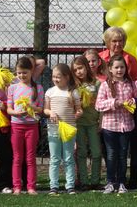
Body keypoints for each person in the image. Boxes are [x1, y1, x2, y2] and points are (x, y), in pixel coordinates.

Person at [95, 55, 137, 194]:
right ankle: (110, 182)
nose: (120, 70)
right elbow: (98, 105)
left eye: (122, 67)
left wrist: (132, 102)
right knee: (112, 155)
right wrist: (114, 103)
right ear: (110, 69)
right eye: (117, 67)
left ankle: (122, 183)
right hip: (110, 126)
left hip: (126, 125)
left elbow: (136, 100)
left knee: (123, 155)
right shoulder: (105, 85)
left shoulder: (130, 84)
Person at [7, 56, 44, 195]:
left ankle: (31, 187)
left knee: (30, 158)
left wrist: (31, 107)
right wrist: (16, 113)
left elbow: (41, 109)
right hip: (16, 126)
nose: (22, 75)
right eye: (19, 72)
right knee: (17, 158)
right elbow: (9, 109)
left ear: (31, 71)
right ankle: (16, 186)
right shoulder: (12, 88)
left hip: (32, 126)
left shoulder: (38, 88)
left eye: (25, 72)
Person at [44, 64, 82, 195]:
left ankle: (70, 185)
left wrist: (78, 113)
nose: (55, 79)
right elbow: (45, 109)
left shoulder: (73, 92)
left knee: (68, 158)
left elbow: (79, 109)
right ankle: (53, 186)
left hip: (69, 130)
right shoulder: (49, 91)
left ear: (66, 77)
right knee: (54, 158)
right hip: (53, 129)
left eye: (58, 77)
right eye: (54, 76)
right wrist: (50, 113)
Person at [71, 56, 102, 190]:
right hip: (79, 123)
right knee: (81, 152)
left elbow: (101, 103)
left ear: (86, 67)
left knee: (96, 152)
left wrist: (101, 119)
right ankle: (83, 181)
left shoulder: (97, 83)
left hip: (93, 122)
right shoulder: (73, 85)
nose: (79, 72)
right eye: (75, 70)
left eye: (81, 68)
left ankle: (95, 180)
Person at [0, 65, 12, 194]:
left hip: (1, 128)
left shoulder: (1, 91)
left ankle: (3, 183)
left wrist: (3, 107)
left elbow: (9, 110)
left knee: (4, 156)